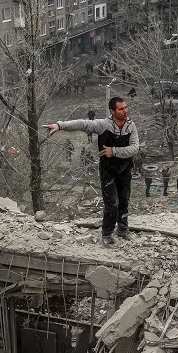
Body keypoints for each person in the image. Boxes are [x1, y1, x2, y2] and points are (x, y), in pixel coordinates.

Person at [44, 97, 139, 245]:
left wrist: (113, 151)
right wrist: (60, 125)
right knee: (111, 203)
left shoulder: (131, 126)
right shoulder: (103, 125)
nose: (125, 111)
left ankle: (122, 229)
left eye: (126, 107)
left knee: (124, 201)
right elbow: (83, 124)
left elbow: (134, 149)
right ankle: (107, 234)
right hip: (108, 171)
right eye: (121, 109)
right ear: (112, 111)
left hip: (125, 169)